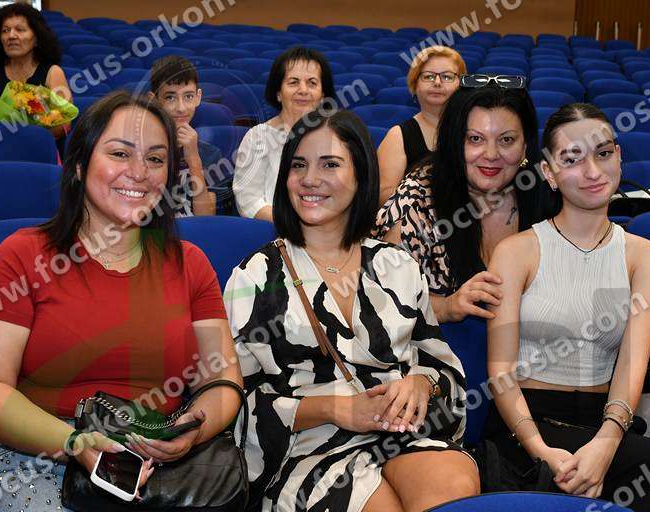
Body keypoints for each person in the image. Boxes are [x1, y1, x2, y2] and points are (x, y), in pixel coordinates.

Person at [0, 91, 243, 511]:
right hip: (41, 451)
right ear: (78, 165)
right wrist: (75, 442)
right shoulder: (23, 256)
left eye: (156, 159)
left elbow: (222, 377)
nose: (139, 173)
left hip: (156, 456)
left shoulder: (190, 263)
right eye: (120, 154)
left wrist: (193, 430)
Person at [224, 109, 478, 512]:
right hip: (306, 448)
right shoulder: (255, 277)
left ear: (361, 175)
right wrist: (336, 409)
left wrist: (421, 384)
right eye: (299, 165)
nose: (310, 179)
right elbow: (234, 404)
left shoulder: (397, 266)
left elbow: (443, 368)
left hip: (400, 432)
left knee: (453, 483)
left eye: (330, 164)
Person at [485, 103, 650, 511]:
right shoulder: (515, 252)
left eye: (603, 154)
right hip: (525, 425)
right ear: (548, 172)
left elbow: (632, 365)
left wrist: (606, 442)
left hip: (606, 423)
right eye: (572, 159)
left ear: (618, 156)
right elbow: (500, 373)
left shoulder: (645, 256)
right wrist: (540, 450)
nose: (592, 171)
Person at [374, 76, 550, 323]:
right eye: (475, 139)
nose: (491, 155)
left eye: (506, 140)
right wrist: (447, 307)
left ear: (525, 146)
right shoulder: (416, 200)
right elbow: (380, 297)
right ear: (454, 141)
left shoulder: (547, 192)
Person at [232, 46, 335, 221]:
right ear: (279, 93)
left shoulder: (336, 138)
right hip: (273, 229)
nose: (303, 90)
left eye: (312, 83)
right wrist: (293, 225)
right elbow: (248, 201)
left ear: (323, 95)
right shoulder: (258, 137)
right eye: (293, 82)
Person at [0, 3, 71, 138]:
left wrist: (30, 132)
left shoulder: (53, 72)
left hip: (37, 144)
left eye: (20, 29)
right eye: (5, 30)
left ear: (37, 39)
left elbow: (64, 123)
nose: (11, 36)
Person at [377, 46, 466, 205]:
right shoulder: (398, 136)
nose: (437, 82)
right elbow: (383, 197)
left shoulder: (477, 130)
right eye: (428, 76)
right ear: (415, 84)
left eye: (447, 76)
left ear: (461, 84)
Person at [149, 55, 226, 216]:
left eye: (188, 96)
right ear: (154, 100)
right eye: (170, 97)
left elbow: (206, 218)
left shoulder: (211, 154)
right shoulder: (140, 150)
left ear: (198, 97)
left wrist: (194, 161)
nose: (181, 108)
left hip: (193, 230)